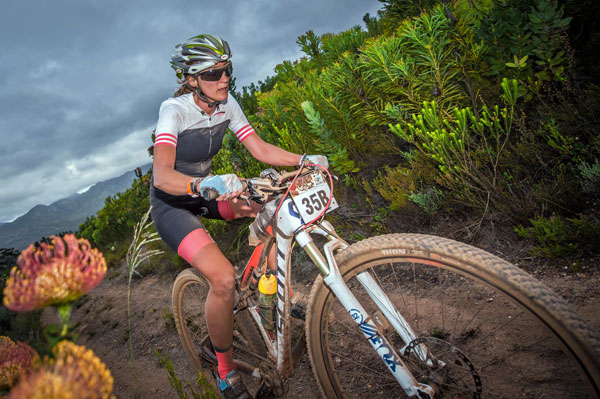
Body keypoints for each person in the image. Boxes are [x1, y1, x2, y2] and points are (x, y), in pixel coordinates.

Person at [150, 34, 327, 399]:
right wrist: (202, 183)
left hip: (209, 191)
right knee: (223, 279)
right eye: (213, 73)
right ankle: (226, 372)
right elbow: (162, 177)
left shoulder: (227, 103)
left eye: (227, 69)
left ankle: (272, 290)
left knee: (272, 205)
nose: (224, 78)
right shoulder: (175, 110)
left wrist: (305, 159)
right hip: (173, 203)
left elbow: (259, 148)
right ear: (191, 79)